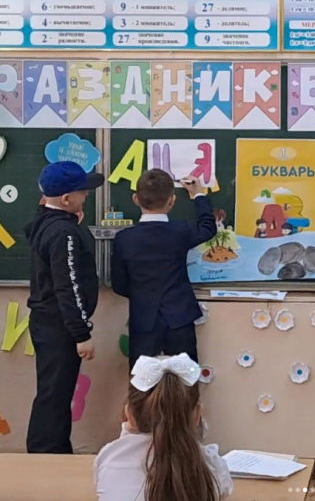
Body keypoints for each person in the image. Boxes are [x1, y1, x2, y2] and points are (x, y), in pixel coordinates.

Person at [25, 161, 104, 453]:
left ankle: (55, 450)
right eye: (83, 192)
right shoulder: (63, 233)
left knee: (54, 393)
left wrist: (71, 219)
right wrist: (81, 334)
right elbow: (68, 285)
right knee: (55, 396)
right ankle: (46, 454)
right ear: (67, 199)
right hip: (59, 326)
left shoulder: (49, 222)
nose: (87, 196)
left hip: (47, 321)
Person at [111, 169, 217, 369]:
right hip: (179, 318)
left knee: (143, 381)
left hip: (143, 320)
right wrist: (198, 195)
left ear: (135, 199)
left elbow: (118, 284)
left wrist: (143, 296)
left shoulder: (124, 239)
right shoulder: (181, 231)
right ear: (172, 200)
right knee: (184, 379)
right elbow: (207, 228)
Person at [94, 353, 232, 501]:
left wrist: (127, 435)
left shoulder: (109, 458)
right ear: (198, 414)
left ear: (129, 413)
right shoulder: (213, 466)